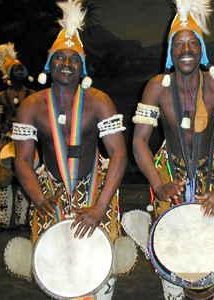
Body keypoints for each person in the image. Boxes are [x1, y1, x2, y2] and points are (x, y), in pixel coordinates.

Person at [6, 1, 128, 299]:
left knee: (100, 267)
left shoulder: (100, 101)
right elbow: (22, 158)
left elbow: (119, 154)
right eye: (59, 58)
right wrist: (38, 197)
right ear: (49, 64)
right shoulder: (31, 107)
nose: (66, 63)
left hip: (95, 189)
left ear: (83, 67)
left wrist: (100, 207)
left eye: (74, 59)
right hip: (50, 191)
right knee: (57, 272)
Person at [131, 0, 214, 299]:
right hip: (170, 174)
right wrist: (159, 184)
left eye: (192, 43)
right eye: (178, 44)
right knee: (171, 259)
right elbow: (139, 140)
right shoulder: (157, 86)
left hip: (213, 174)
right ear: (170, 51)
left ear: (202, 50)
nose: (185, 50)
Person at [0, 42, 35, 229]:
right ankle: (10, 219)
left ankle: (15, 220)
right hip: (10, 144)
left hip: (23, 143)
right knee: (6, 181)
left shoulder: (32, 97)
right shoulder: (5, 96)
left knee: (21, 180)